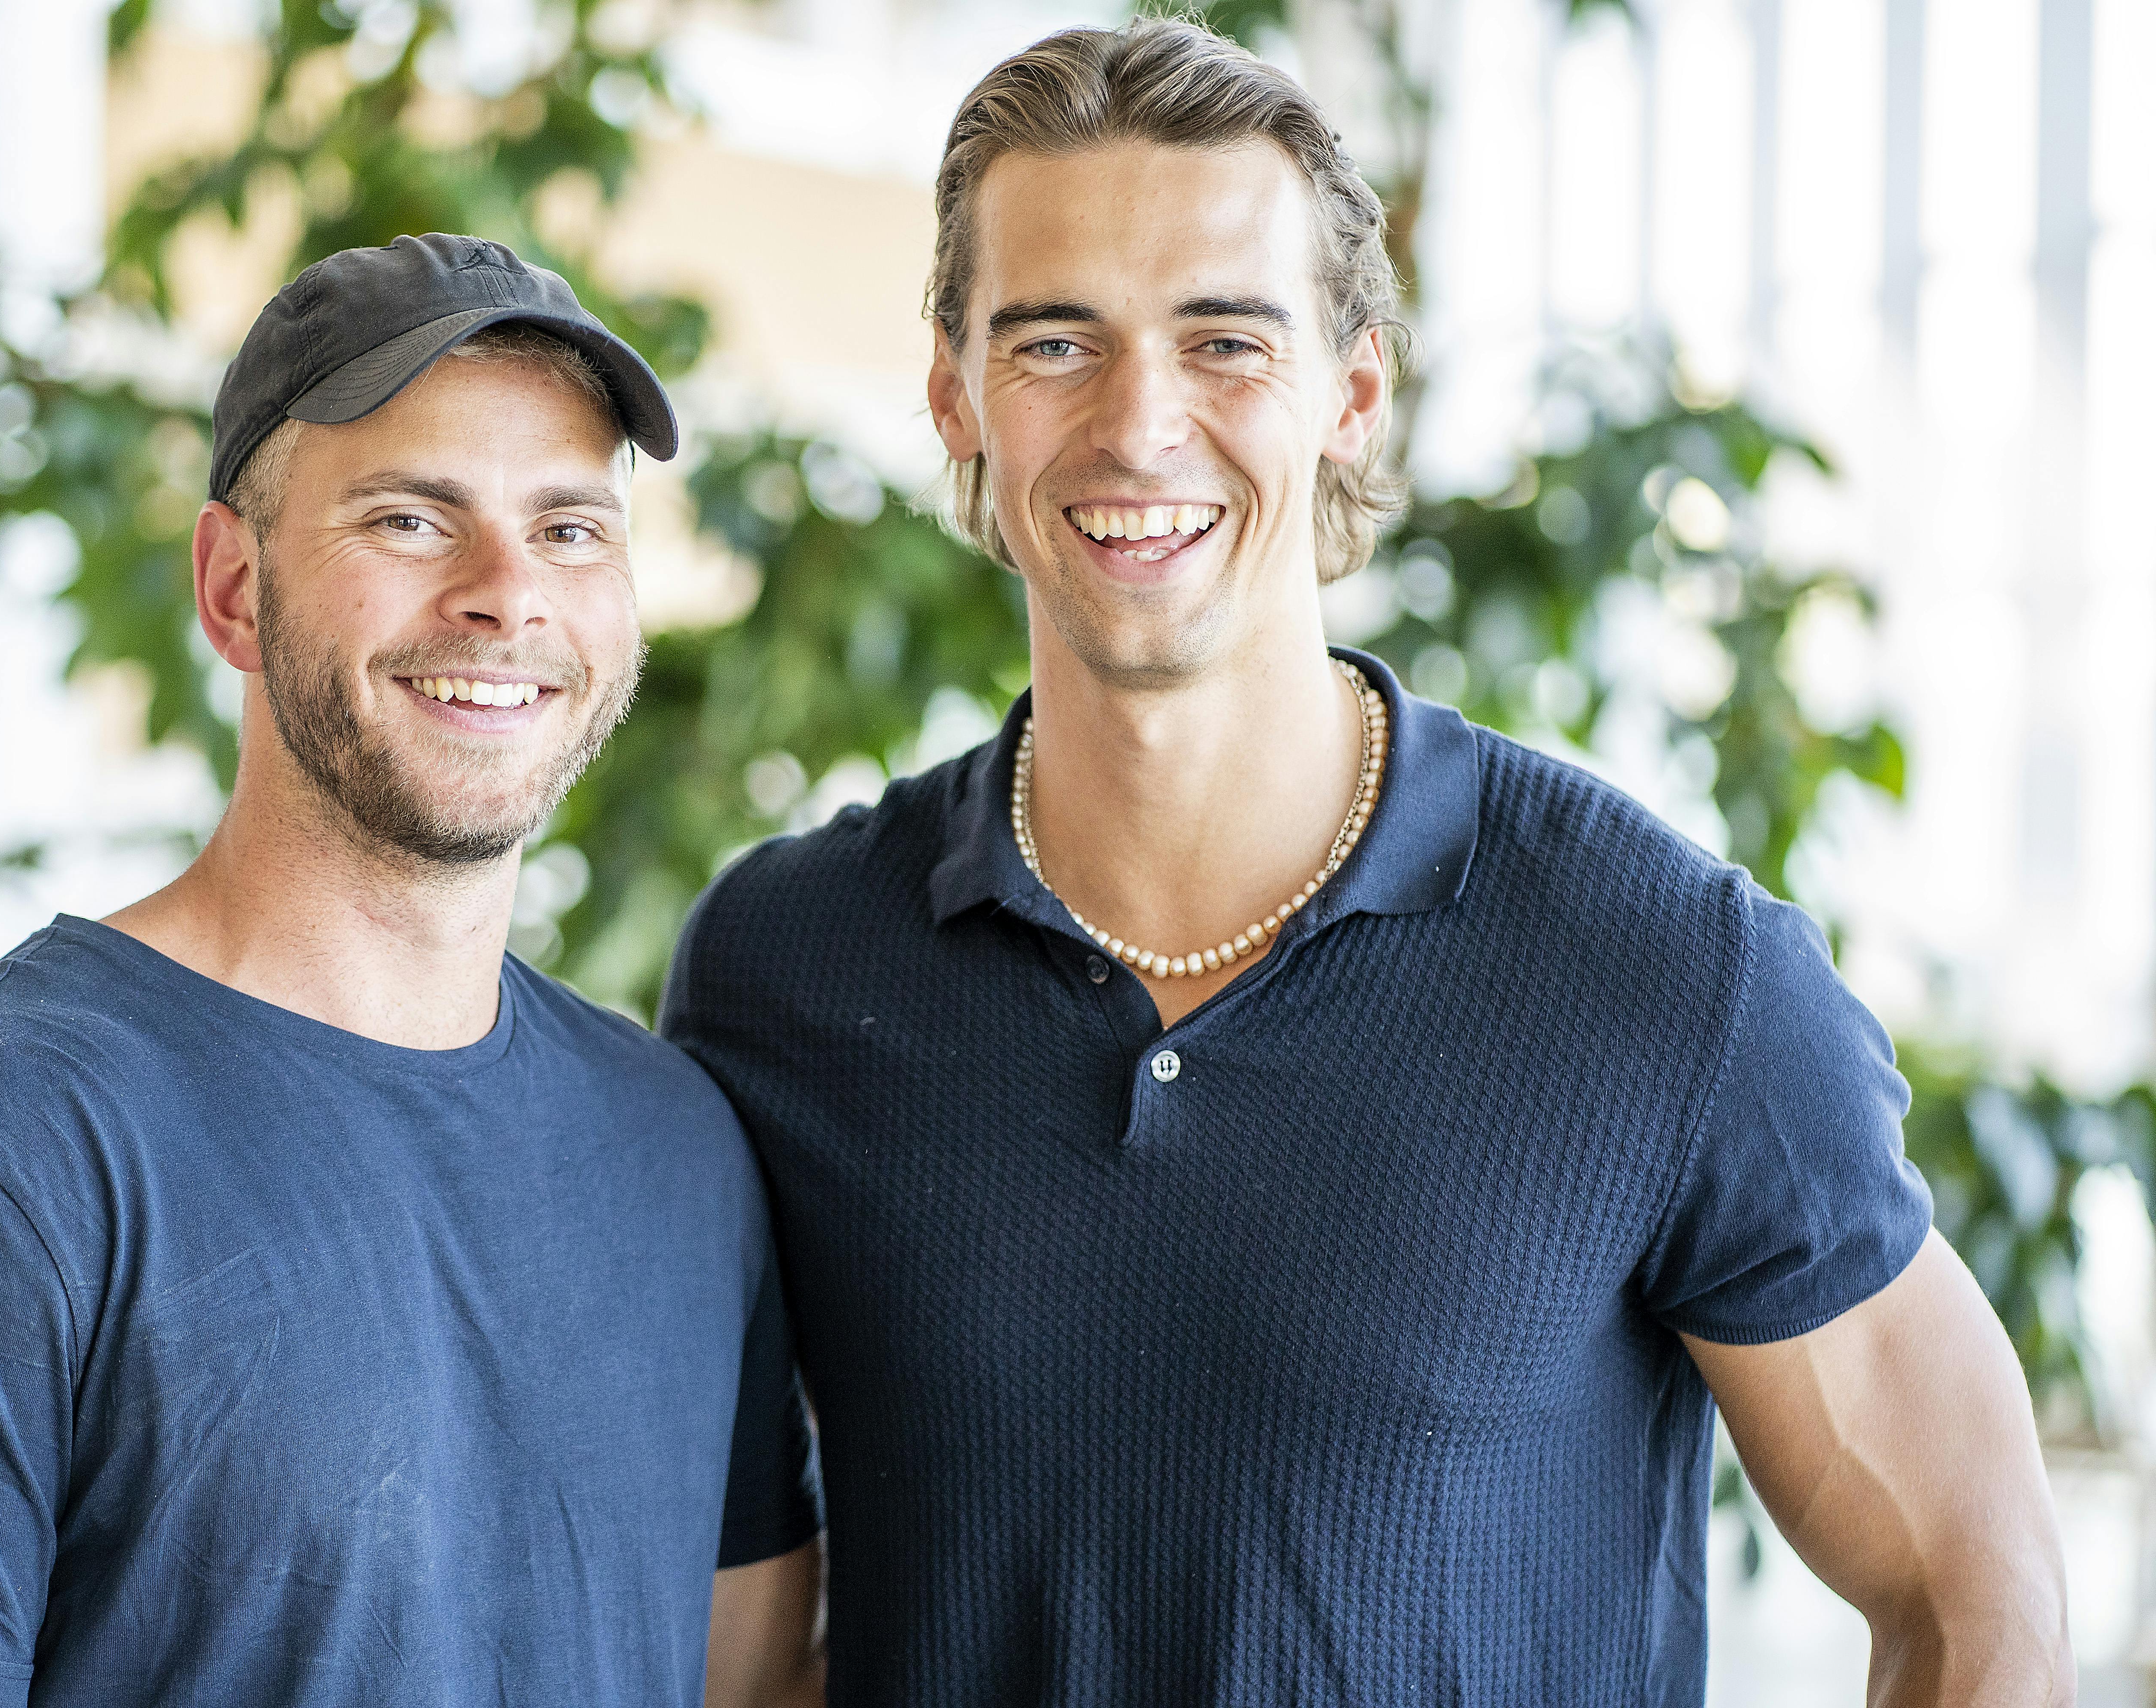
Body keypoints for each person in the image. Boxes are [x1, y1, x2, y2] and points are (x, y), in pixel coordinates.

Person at [660, 20, 2070, 1706]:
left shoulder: (1663, 966)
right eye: (1056, 342)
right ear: (957, 388)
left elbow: (1974, 1583)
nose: (1140, 422)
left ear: (1356, 384)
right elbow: (749, 1656)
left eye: (1225, 340)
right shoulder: (786, 967)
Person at [0, 234, 824, 1708]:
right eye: (412, 520)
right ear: (232, 589)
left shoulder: (677, 1148)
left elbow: (749, 1686)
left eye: (571, 529)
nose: (507, 593)